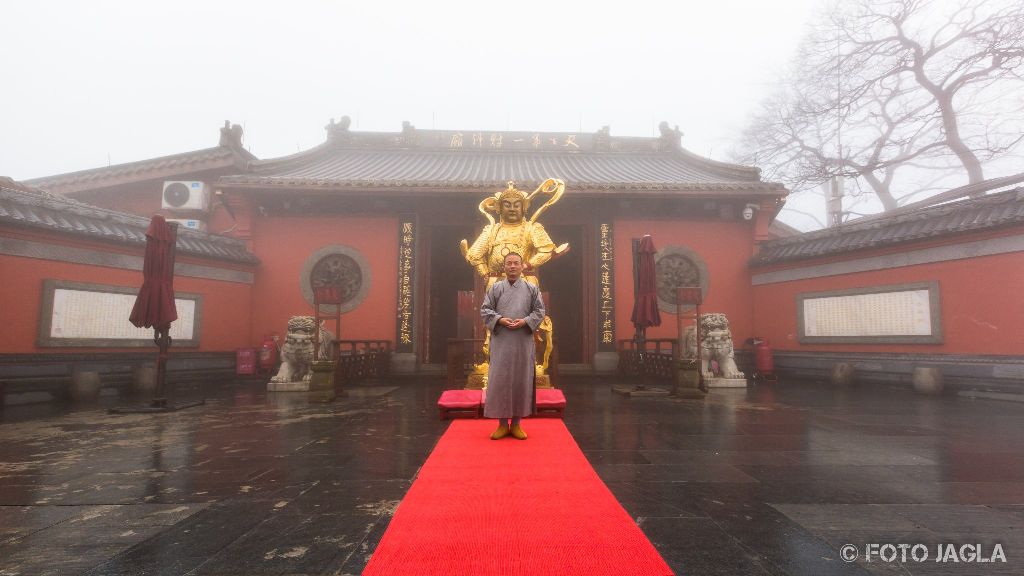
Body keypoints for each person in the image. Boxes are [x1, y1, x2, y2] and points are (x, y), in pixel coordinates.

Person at [480, 252, 546, 440]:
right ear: (504, 266)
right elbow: (485, 310)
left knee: (520, 378)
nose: (512, 266)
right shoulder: (495, 288)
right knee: (500, 379)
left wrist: (525, 322)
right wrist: (499, 320)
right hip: (501, 340)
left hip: (522, 341)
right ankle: (501, 424)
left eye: (516, 263)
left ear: (522, 266)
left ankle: (516, 423)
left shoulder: (532, 288)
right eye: (509, 263)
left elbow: (540, 311)